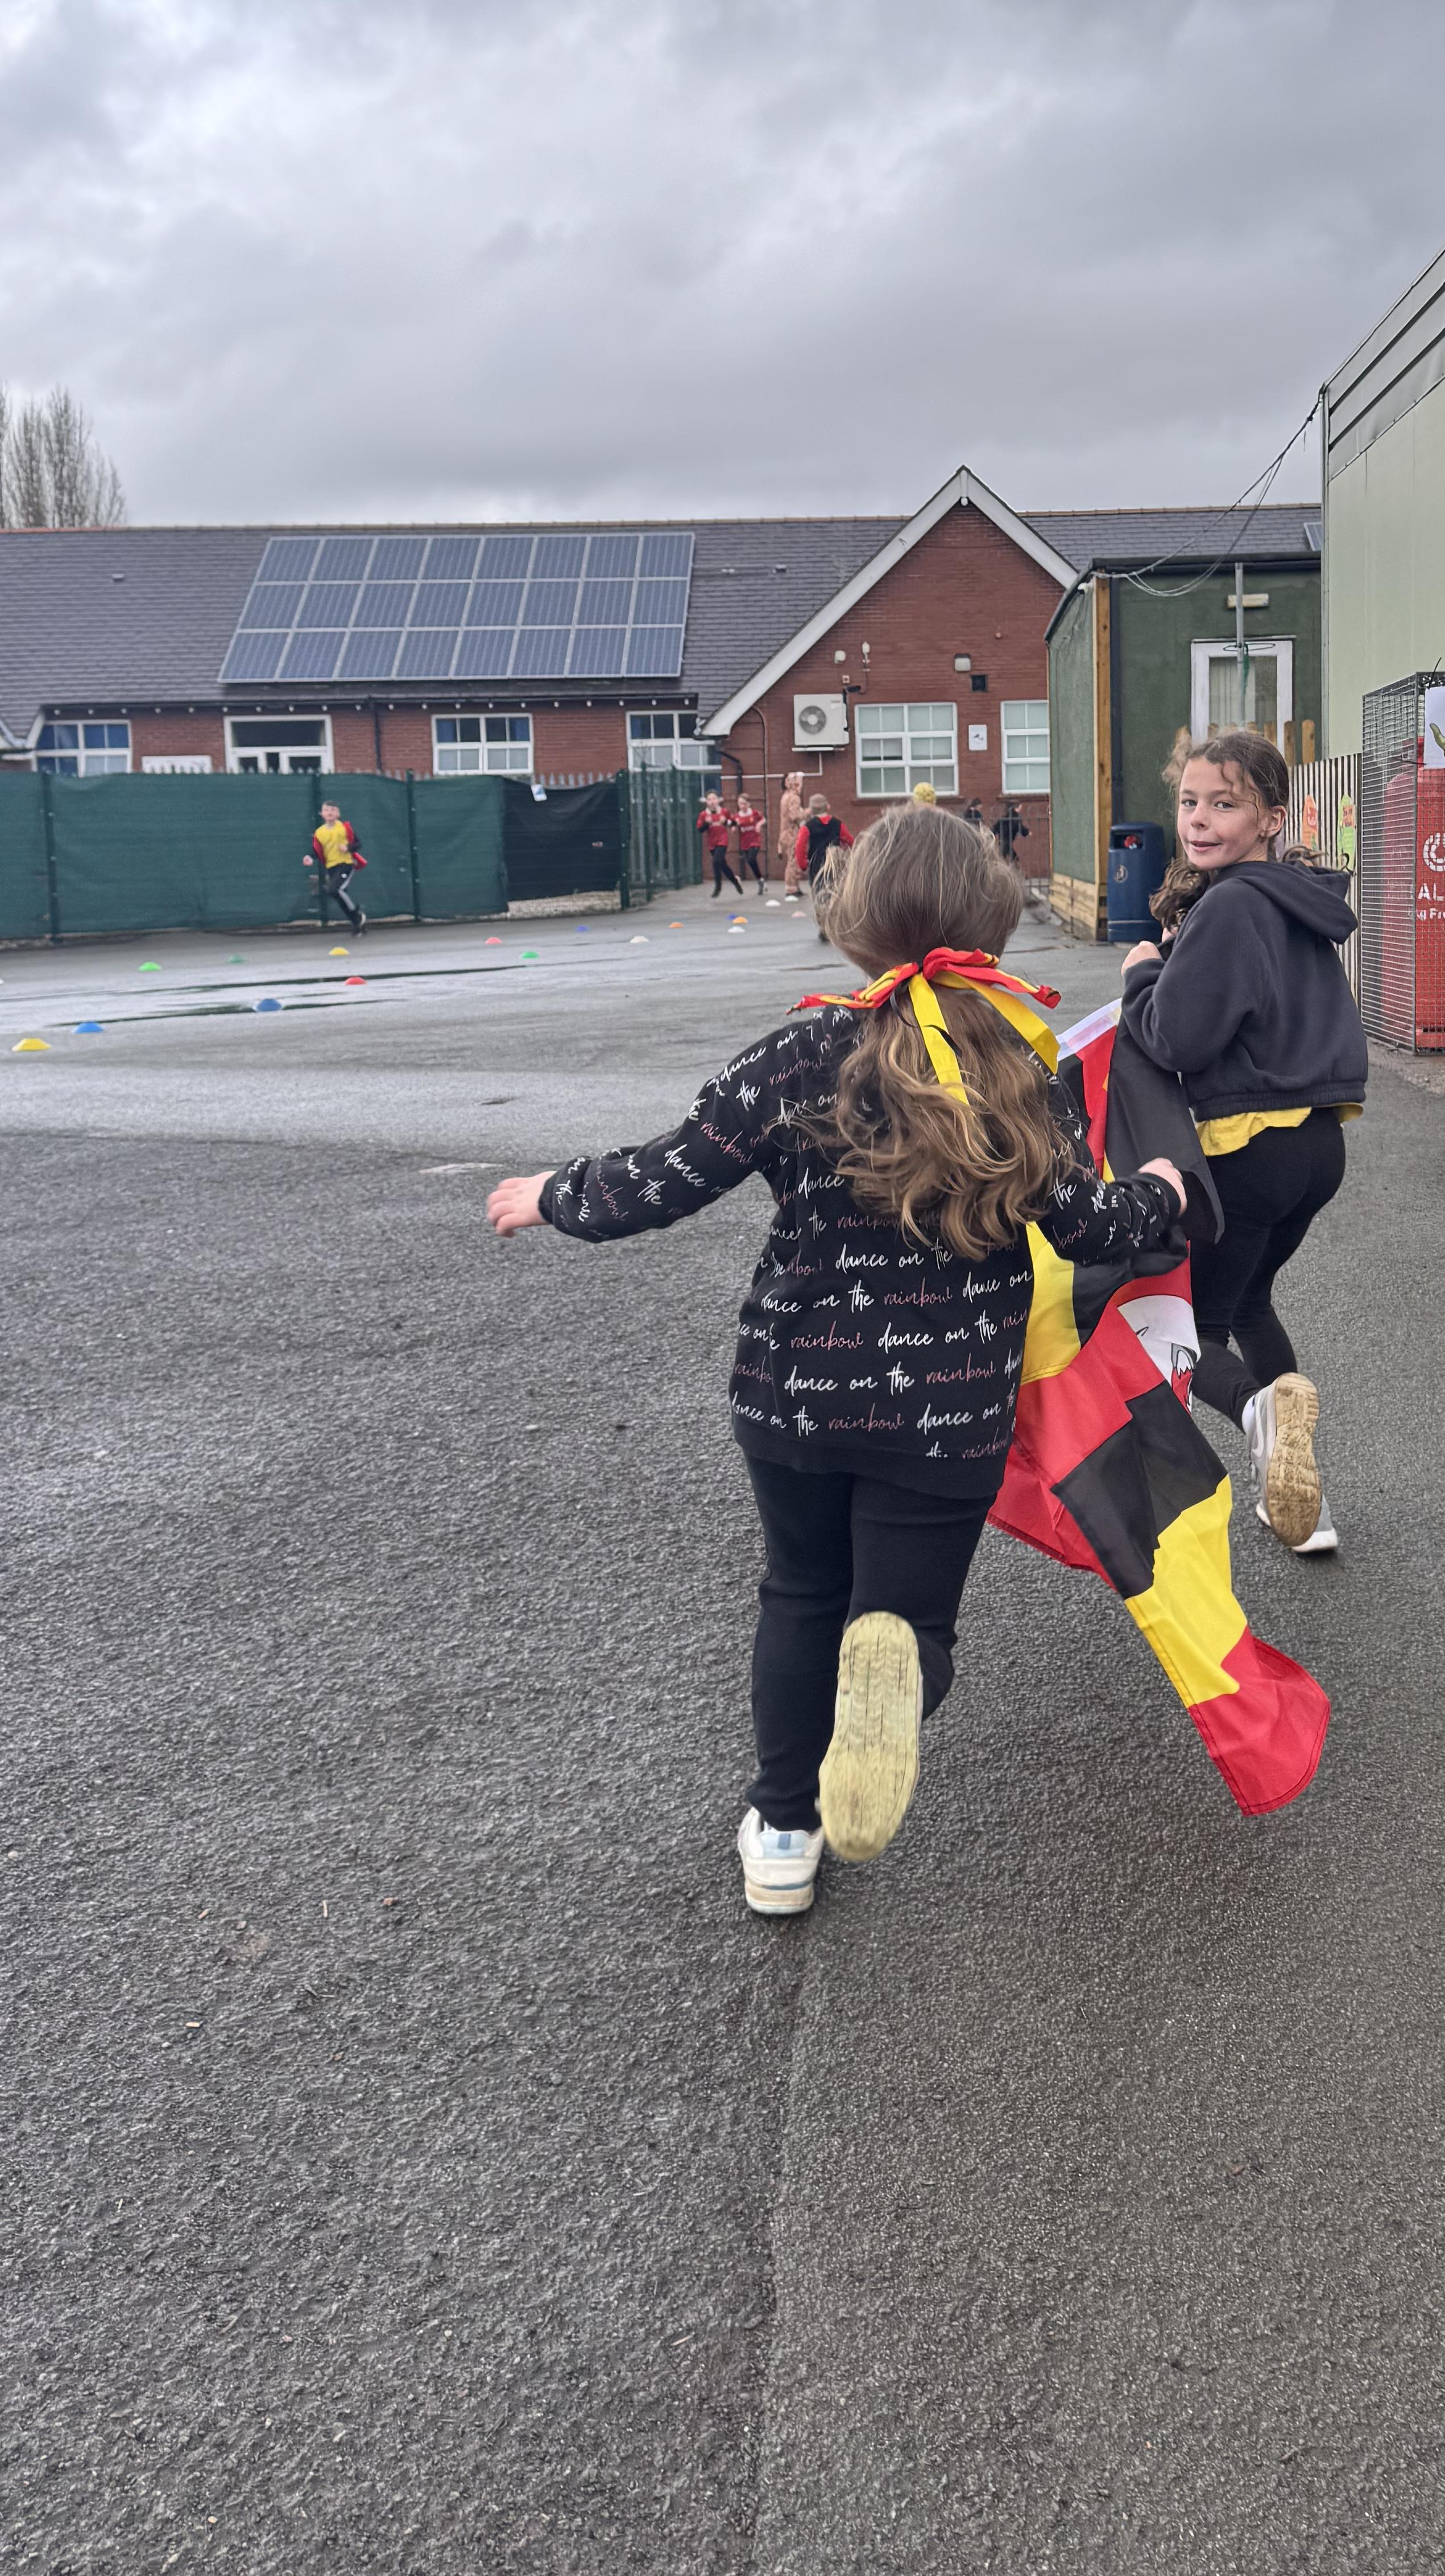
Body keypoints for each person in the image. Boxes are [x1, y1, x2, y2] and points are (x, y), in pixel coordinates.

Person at [485, 805, 1187, 1914]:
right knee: (907, 1624)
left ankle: (782, 1831)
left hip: (793, 1397)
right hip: (945, 1411)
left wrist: (553, 1195)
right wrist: (1160, 1194)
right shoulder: (1013, 1067)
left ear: (850, 919)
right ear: (989, 923)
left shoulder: (795, 1057)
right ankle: (891, 1693)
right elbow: (1088, 1224)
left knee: (799, 1592)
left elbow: (664, 1177)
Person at [1113, 730, 1364, 1557]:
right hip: (1316, 1146)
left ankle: (1257, 1413)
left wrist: (1143, 974)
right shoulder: (1296, 901)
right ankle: (1305, 1509)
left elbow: (1176, 1039)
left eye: (1224, 804)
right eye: (1190, 801)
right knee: (1251, 1303)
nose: (1199, 819)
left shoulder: (1229, 906)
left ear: (1270, 819)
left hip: (1247, 1148)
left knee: (1178, 1330)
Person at [304, 801, 366, 933]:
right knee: (334, 892)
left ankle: (356, 916)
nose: (330, 812)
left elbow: (358, 843)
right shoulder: (319, 833)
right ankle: (356, 920)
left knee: (335, 890)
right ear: (322, 814)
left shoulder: (344, 828)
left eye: (333, 810)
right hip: (331, 867)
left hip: (346, 865)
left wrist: (348, 848)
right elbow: (317, 851)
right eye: (327, 810)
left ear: (338, 814)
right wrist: (310, 857)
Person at [797, 796, 850, 942]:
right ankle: (834, 924)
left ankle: (824, 925)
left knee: (819, 894)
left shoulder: (808, 826)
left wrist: (802, 864)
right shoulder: (838, 824)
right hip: (835, 864)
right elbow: (849, 840)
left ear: (811, 810)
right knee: (834, 892)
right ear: (828, 807)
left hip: (816, 865)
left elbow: (800, 846)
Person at [699, 788, 743, 896]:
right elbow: (700, 829)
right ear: (707, 802)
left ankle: (718, 887)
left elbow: (734, 822)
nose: (712, 802)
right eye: (710, 800)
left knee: (716, 862)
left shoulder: (724, 812)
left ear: (718, 800)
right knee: (723, 866)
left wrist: (727, 822)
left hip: (723, 840)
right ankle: (735, 882)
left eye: (714, 799)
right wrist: (707, 823)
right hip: (712, 843)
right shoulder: (704, 814)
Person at [776, 774, 808, 894]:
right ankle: (791, 888)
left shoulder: (785, 797)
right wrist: (807, 812)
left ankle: (795, 887)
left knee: (793, 860)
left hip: (785, 833)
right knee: (794, 861)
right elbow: (794, 816)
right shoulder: (794, 798)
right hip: (792, 833)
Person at [734, 793, 767, 891]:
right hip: (745, 842)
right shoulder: (737, 816)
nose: (742, 806)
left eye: (744, 804)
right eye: (740, 804)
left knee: (752, 858)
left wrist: (759, 825)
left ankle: (760, 880)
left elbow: (763, 819)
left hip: (755, 840)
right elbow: (733, 824)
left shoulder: (754, 813)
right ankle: (760, 879)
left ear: (749, 804)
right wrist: (734, 826)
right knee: (750, 861)